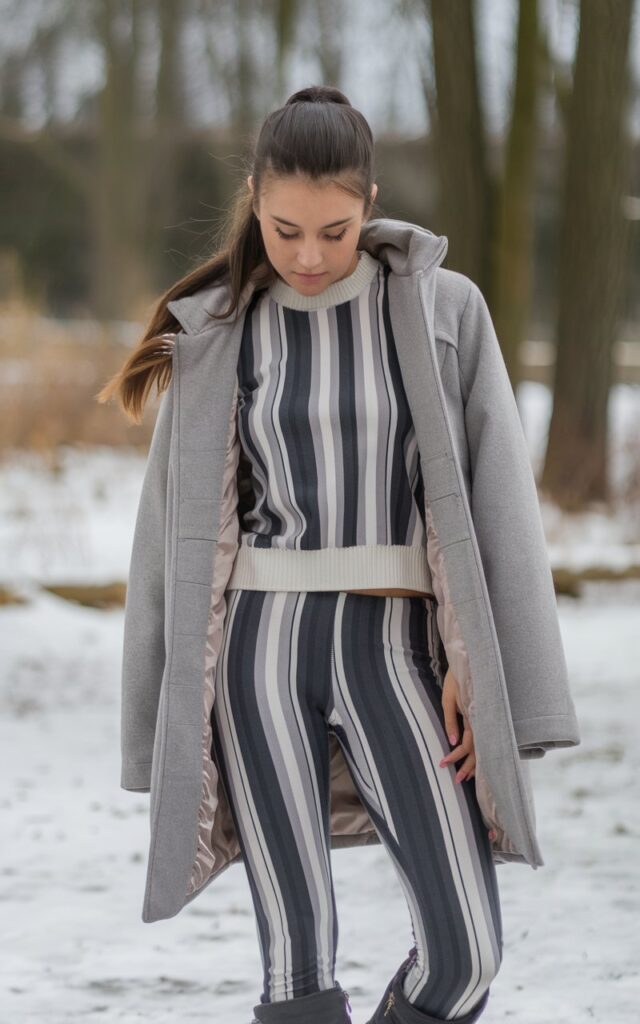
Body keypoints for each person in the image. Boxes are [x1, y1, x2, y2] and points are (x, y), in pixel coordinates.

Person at [101, 84, 580, 1024]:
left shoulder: (443, 309)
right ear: (253, 200)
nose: (310, 256)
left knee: (466, 957)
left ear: (371, 199)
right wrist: (158, 707)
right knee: (297, 976)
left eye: (335, 229)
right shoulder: (216, 329)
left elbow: (498, 508)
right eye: (284, 231)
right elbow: (170, 539)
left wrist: (479, 665)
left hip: (393, 652)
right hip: (256, 660)